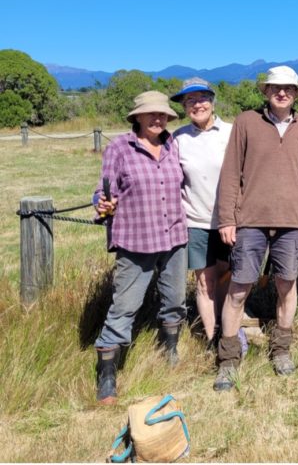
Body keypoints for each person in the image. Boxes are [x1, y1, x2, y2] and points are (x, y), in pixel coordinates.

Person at [213, 66, 298, 390]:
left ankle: (282, 351)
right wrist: (227, 218)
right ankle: (228, 359)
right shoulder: (246, 122)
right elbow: (230, 173)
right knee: (239, 287)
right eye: (275, 87)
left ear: (296, 93)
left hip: (292, 221)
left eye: (288, 88)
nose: (282, 93)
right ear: (266, 91)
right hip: (250, 220)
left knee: (287, 285)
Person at [93, 91, 188, 405]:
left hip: (174, 236)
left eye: (162, 115)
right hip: (136, 239)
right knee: (125, 306)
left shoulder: (173, 144)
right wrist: (103, 203)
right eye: (151, 114)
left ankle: (169, 352)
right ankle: (107, 375)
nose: (158, 119)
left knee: (175, 299)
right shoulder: (120, 147)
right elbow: (102, 191)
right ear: (137, 117)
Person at [170, 77, 233, 346]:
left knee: (229, 278)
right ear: (184, 106)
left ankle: (228, 332)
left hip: (230, 220)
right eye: (190, 101)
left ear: (212, 100)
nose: (198, 105)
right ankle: (211, 339)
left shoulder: (232, 132)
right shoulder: (178, 138)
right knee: (205, 282)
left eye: (202, 98)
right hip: (195, 220)